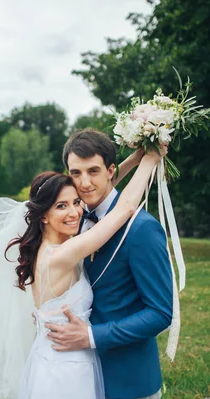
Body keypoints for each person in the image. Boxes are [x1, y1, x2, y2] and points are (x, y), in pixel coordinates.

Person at [4, 142, 166, 399]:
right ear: (43, 215)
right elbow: (124, 208)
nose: (74, 211)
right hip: (67, 373)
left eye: (75, 203)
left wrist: (136, 157)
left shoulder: (58, 239)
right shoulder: (65, 248)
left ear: (109, 171)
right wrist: (150, 159)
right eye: (61, 206)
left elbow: (160, 312)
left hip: (104, 372)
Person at [44, 129, 174, 399]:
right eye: (76, 173)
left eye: (93, 171)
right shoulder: (72, 219)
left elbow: (161, 313)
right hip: (74, 377)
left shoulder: (143, 229)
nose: (84, 183)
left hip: (128, 380)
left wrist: (92, 336)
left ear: (110, 170)